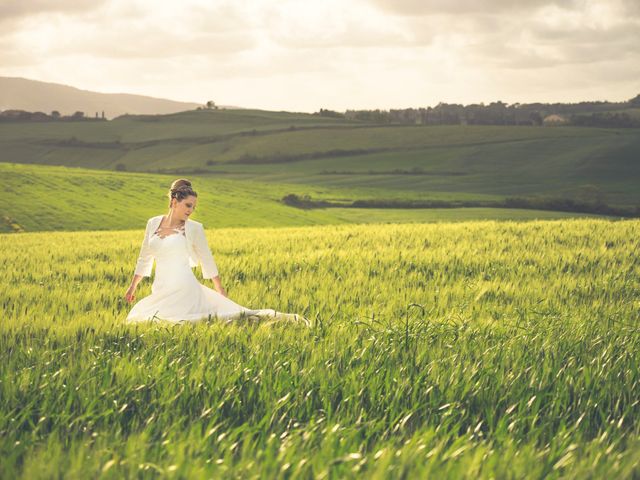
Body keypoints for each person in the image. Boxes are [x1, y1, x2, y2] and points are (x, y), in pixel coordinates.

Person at [125, 179, 309, 326]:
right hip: (160, 286)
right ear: (174, 202)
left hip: (184, 286)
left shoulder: (194, 229)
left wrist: (220, 289)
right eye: (188, 205)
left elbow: (207, 259)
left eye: (194, 207)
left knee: (176, 322)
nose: (191, 211)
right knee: (141, 317)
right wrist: (133, 287)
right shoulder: (153, 223)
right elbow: (145, 257)